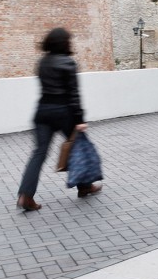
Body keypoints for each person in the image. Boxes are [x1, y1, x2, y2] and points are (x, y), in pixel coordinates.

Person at [17, 27, 101, 211]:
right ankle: (85, 186)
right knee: (79, 146)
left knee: (39, 153)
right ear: (64, 43)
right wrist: (80, 119)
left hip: (42, 111)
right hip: (64, 112)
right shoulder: (68, 62)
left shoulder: (42, 62)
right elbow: (74, 94)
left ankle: (26, 195)